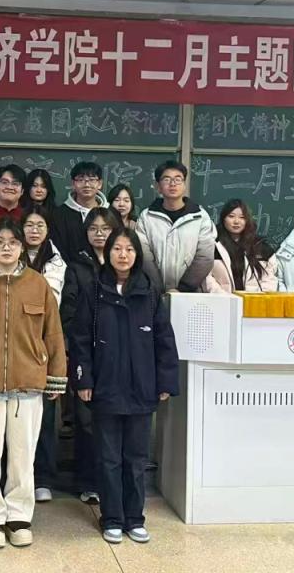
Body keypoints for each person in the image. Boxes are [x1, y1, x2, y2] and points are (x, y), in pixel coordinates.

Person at [0, 218, 67, 549]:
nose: (6, 247)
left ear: (22, 247)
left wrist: (56, 377)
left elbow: (53, 333)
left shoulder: (38, 285)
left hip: (27, 385)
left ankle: (19, 516)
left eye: (13, 242)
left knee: (22, 456)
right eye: (0, 242)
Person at [70, 228, 178, 545]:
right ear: (109, 253)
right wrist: (83, 379)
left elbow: (164, 340)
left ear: (137, 255)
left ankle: (135, 518)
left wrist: (165, 381)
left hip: (142, 387)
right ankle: (113, 518)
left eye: (129, 249)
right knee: (108, 458)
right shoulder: (95, 290)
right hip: (106, 386)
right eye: (117, 248)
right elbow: (79, 339)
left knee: (135, 458)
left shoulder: (149, 291)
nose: (123, 255)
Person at [61, 206, 121, 506]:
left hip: (118, 354)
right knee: (85, 421)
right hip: (86, 351)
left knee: (113, 419)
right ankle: (87, 481)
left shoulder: (124, 264)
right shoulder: (77, 266)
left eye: (105, 229)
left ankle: (111, 480)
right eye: (94, 229)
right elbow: (68, 311)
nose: (100, 234)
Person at [21, 206, 67, 503]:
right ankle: (15, 477)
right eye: (29, 224)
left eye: (40, 225)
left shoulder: (56, 261)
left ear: (48, 229)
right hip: (14, 342)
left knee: (45, 417)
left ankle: (43, 478)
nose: (34, 230)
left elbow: (49, 301)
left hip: (42, 342)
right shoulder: (8, 254)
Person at [136, 160, 215, 293]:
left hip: (192, 293)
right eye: (166, 179)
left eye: (178, 179)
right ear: (157, 186)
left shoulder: (200, 217)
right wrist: (158, 290)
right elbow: (145, 257)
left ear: (184, 185)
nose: (173, 184)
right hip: (154, 293)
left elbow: (205, 257)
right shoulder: (146, 217)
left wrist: (182, 289)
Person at [204, 200, 279, 293]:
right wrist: (223, 296)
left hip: (254, 300)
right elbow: (206, 276)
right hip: (222, 298)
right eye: (231, 216)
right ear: (223, 219)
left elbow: (270, 278)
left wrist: (259, 298)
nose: (236, 221)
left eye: (242, 217)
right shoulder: (212, 245)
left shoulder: (260, 246)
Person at [51, 161, 108, 258]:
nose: (87, 185)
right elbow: (57, 249)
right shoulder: (59, 215)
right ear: (73, 184)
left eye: (92, 179)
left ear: (100, 184)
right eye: (81, 180)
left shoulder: (110, 213)